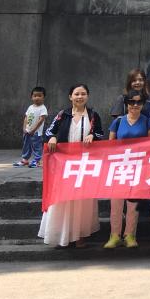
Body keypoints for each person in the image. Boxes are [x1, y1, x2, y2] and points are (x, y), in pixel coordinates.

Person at [39, 84, 104, 247]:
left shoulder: (93, 115)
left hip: (85, 164)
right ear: (70, 97)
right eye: (76, 94)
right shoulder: (63, 115)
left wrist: (93, 136)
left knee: (82, 200)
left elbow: (100, 134)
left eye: (83, 94)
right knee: (62, 199)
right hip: (64, 164)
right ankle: (60, 234)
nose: (80, 97)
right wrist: (53, 137)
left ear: (87, 96)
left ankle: (80, 234)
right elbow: (48, 132)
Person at [104, 90, 150, 249]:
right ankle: (114, 235)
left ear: (142, 104)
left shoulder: (148, 122)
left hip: (139, 167)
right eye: (131, 102)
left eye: (138, 102)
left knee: (133, 204)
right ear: (126, 104)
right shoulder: (118, 122)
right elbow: (110, 145)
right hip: (119, 166)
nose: (135, 105)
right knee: (116, 203)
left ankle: (130, 235)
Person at [15, 86, 47, 168]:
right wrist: (24, 128)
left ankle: (37, 161)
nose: (37, 98)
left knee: (37, 146)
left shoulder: (43, 108)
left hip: (36, 132)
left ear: (43, 97)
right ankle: (25, 160)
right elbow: (26, 117)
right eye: (35, 96)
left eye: (39, 96)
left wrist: (34, 130)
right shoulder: (30, 107)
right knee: (26, 145)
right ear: (31, 97)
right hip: (27, 131)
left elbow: (41, 120)